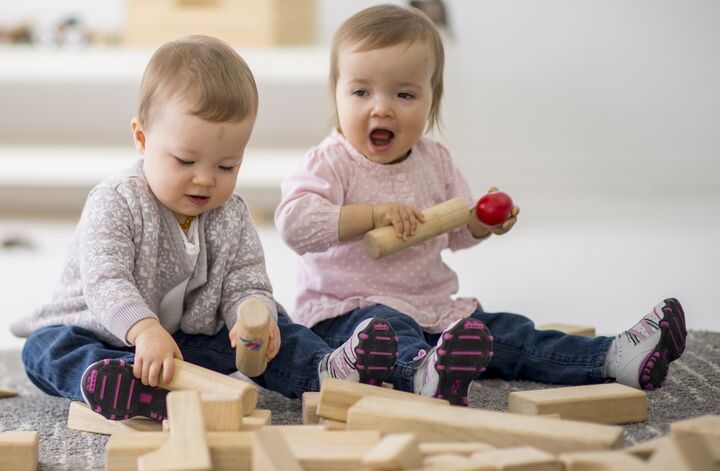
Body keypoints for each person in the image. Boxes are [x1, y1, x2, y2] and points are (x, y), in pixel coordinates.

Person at [274, 5, 687, 406]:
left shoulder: (435, 161)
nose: (381, 107)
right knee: (392, 331)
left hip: (432, 310)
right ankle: (423, 375)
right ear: (336, 94)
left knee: (507, 333)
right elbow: (294, 224)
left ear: (431, 101)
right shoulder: (330, 162)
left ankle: (614, 356)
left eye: (404, 94)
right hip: (350, 317)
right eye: (361, 91)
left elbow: (455, 233)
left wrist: (481, 223)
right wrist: (372, 215)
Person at [11, 35, 398, 421]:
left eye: (226, 166)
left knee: (279, 330)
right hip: (101, 333)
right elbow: (105, 279)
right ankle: (119, 383)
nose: (205, 180)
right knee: (45, 348)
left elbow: (245, 279)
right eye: (185, 161)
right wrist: (144, 331)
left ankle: (325, 370)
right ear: (142, 139)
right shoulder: (116, 200)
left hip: (181, 346)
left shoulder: (230, 213)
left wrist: (254, 318)